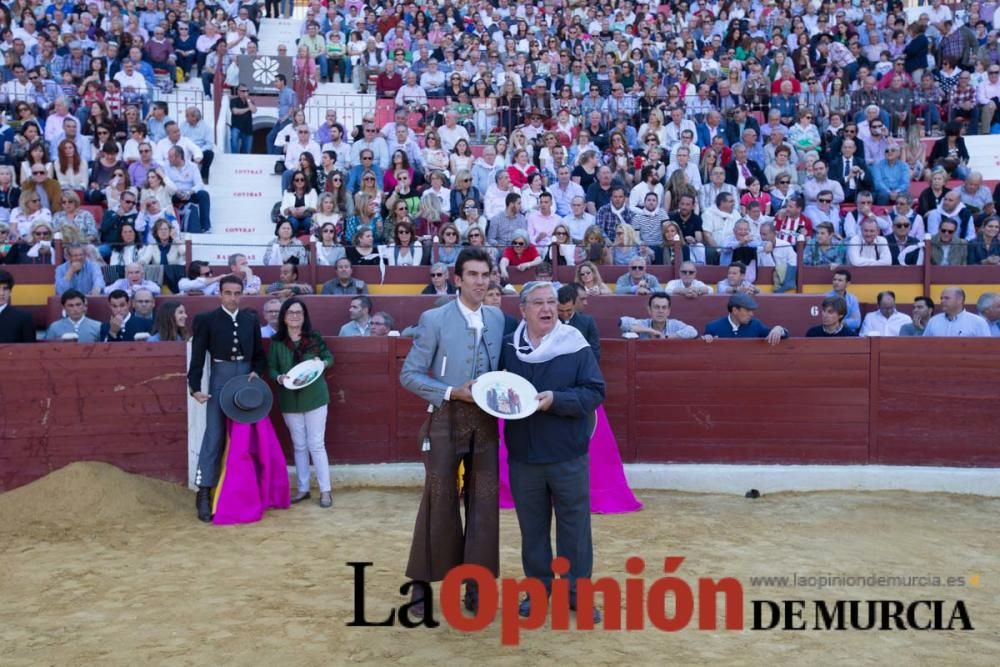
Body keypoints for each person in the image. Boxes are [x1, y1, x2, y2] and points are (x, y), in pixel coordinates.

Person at [399, 247, 505, 615]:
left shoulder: (496, 317)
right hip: (446, 416)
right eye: (472, 275)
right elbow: (409, 374)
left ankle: (475, 585)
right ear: (457, 279)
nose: (480, 281)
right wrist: (449, 391)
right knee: (438, 499)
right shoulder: (434, 319)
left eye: (485, 274)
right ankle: (421, 585)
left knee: (485, 503)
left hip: (486, 421)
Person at [499, 281, 606, 621]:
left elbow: (594, 392)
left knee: (574, 528)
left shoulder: (575, 345)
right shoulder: (507, 348)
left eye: (551, 302)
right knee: (532, 529)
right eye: (538, 303)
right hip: (524, 455)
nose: (547, 309)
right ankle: (537, 592)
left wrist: (557, 400)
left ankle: (577, 594)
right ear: (523, 310)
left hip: (567, 454)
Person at [188, 274, 268, 522]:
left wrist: (257, 370)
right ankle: (204, 492)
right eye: (228, 293)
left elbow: (258, 354)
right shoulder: (206, 320)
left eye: (237, 293)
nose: (233, 298)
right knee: (214, 435)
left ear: (241, 294)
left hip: (245, 381)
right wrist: (194, 387)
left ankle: (246, 493)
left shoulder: (249, 319)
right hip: (220, 380)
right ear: (220, 293)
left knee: (245, 438)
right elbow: (199, 357)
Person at [268, 298, 335, 508]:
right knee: (299, 445)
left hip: (315, 396)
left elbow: (329, 357)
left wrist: (322, 363)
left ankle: (325, 491)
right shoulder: (277, 342)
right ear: (284, 317)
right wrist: (279, 378)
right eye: (290, 312)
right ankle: (303, 489)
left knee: (316, 444)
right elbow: (271, 368)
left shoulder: (314, 337)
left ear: (304, 316)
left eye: (299, 312)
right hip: (290, 398)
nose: (295, 316)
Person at [703, 293, 788, 344]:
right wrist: (706, 339)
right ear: (735, 310)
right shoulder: (713, 328)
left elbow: (780, 335)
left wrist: (779, 329)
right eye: (748, 310)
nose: (751, 314)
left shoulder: (756, 325)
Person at [620, 292, 698, 340]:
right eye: (656, 307)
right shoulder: (644, 323)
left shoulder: (675, 324)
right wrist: (651, 331)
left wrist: (666, 338)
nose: (660, 311)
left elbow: (693, 332)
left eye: (664, 307)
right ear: (649, 310)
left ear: (668, 311)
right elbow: (622, 322)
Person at [923, 288, 992, 337]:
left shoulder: (977, 322)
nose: (942, 301)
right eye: (941, 298)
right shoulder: (934, 321)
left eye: (946, 298)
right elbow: (925, 345)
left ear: (959, 300)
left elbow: (986, 347)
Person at [556, 284, 600, 358]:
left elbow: (594, 352)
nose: (565, 314)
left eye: (568, 310)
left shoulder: (587, 322)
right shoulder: (551, 322)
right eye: (560, 311)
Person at [0, 269, 35, 342]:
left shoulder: (24, 317)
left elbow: (31, 350)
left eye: (5, 289)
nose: (1, 293)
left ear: (10, 292)